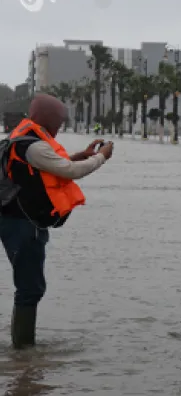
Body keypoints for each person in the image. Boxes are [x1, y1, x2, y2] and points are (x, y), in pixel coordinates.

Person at [0, 93, 114, 349]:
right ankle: (24, 352)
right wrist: (101, 157)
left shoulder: (23, 139)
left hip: (16, 221)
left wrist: (82, 154)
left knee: (29, 287)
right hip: (23, 224)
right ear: (47, 118)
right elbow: (70, 172)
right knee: (30, 288)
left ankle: (22, 355)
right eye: (59, 121)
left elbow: (49, 167)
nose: (60, 126)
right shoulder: (34, 146)